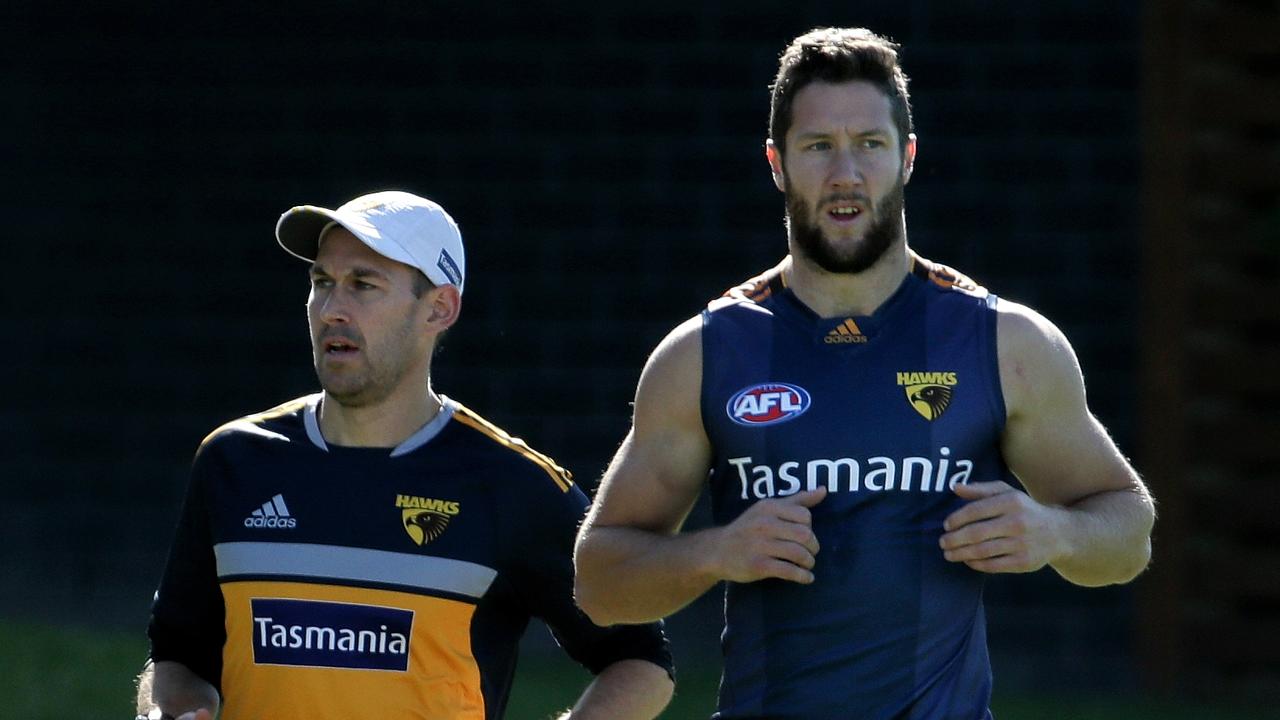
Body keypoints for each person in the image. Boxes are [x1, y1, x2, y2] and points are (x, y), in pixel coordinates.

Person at [573, 27, 1155, 720]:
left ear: (907, 157)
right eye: (818, 147)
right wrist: (716, 552)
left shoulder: (1006, 343)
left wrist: (1056, 534)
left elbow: (1128, 533)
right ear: (776, 163)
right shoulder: (704, 353)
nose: (845, 174)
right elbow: (598, 581)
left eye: (869, 145)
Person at [135, 190, 674, 720]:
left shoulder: (510, 484)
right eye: (321, 283)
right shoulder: (234, 461)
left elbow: (640, 660)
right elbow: (177, 654)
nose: (330, 310)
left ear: (439, 308)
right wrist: (170, 712)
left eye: (362, 285)